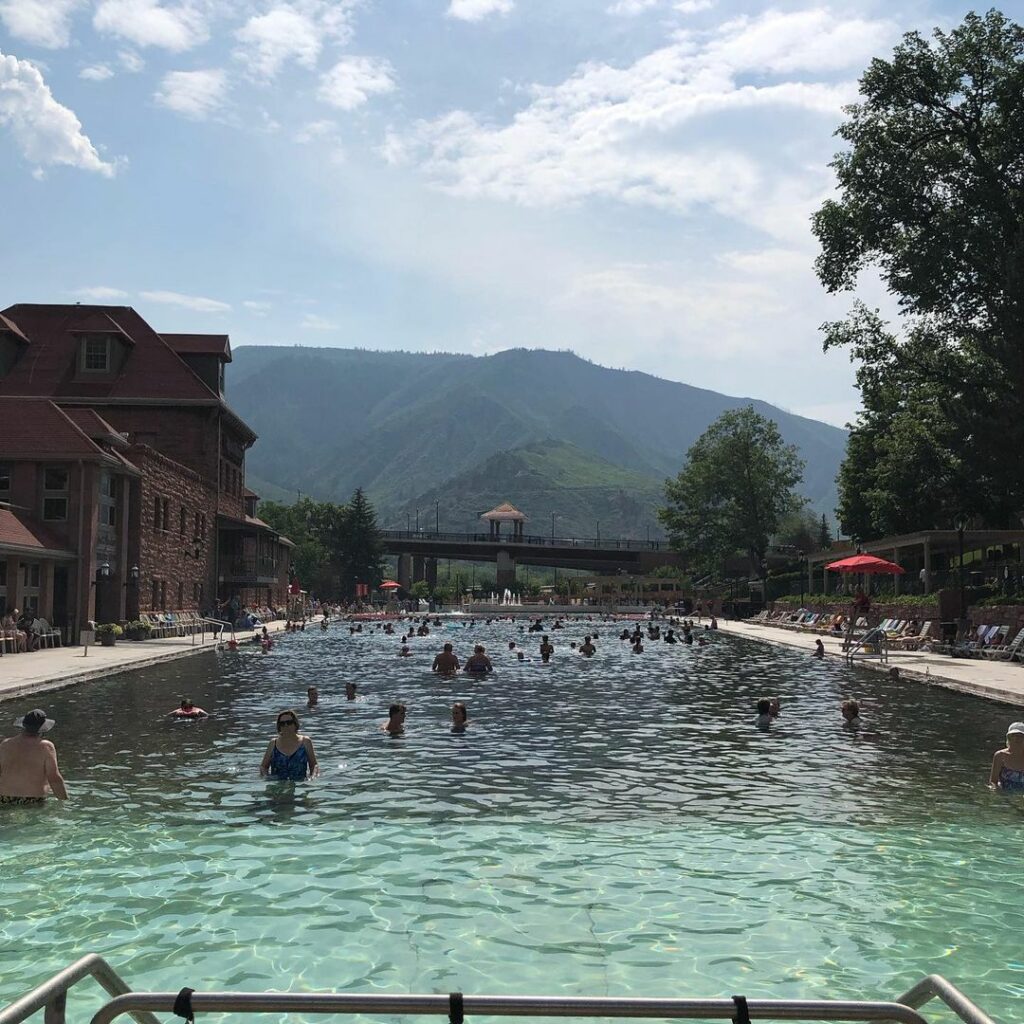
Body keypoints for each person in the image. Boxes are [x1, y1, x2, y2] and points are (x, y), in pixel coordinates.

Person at [0, 710, 68, 803]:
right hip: (33, 800)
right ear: (42, 728)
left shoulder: (5, 744)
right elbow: (54, 778)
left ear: (24, 725)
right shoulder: (45, 747)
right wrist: (64, 802)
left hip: (5, 798)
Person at [260, 710, 319, 780]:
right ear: (279, 727)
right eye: (282, 723)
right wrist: (266, 777)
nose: (286, 725)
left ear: (295, 724)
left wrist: (312, 778)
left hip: (300, 784)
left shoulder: (305, 741)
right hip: (278, 784)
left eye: (289, 722)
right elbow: (263, 767)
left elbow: (314, 765)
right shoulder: (273, 743)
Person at [989, 722, 1024, 792]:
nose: (1017, 738)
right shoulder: (1000, 756)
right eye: (1014, 735)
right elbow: (993, 782)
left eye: (1021, 736)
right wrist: (995, 792)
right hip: (1004, 795)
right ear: (1009, 738)